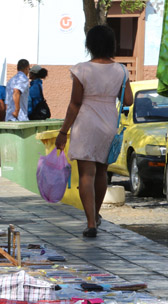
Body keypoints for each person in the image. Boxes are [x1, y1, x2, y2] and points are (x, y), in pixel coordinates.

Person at [55, 25, 133, 238]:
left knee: (86, 175)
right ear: (111, 45)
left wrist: (63, 132)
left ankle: (90, 222)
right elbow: (128, 100)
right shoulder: (121, 70)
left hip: (86, 123)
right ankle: (96, 215)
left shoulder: (81, 69)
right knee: (101, 173)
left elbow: (75, 103)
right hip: (108, 123)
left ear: (89, 44)